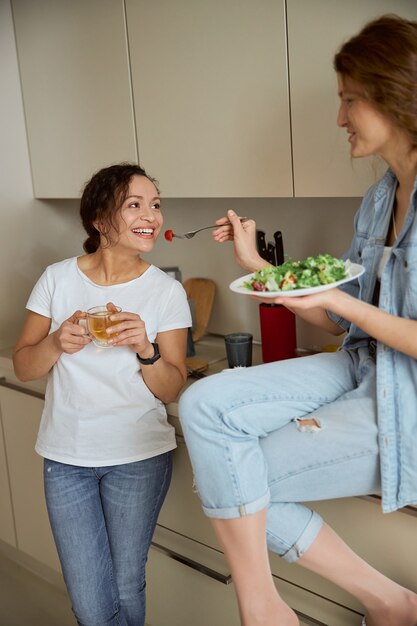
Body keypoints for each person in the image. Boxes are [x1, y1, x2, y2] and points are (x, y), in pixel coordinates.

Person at [179, 15, 417, 626]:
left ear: (396, 95)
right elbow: (345, 317)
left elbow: (349, 307)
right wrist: (262, 267)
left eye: (349, 100)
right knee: (204, 407)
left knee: (240, 477)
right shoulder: (379, 198)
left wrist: (338, 303)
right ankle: (379, 604)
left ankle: (268, 612)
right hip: (360, 364)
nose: (339, 118)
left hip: (408, 397)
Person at [13, 163, 192, 626]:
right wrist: (55, 342)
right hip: (66, 458)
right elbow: (23, 365)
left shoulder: (166, 291)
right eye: (134, 205)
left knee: (126, 583)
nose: (150, 215)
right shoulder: (56, 279)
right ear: (99, 218)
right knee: (91, 603)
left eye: (154, 205)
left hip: (138, 456)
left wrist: (146, 349)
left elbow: (174, 387)